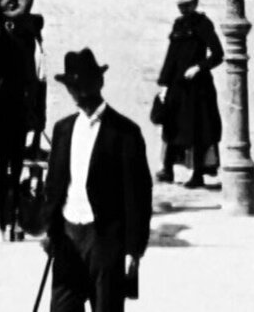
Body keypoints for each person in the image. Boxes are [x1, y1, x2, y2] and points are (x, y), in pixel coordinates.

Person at [41, 49, 152, 312]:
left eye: (84, 86)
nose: (79, 93)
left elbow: (138, 195)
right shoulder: (63, 129)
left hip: (104, 240)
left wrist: (133, 250)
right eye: (74, 87)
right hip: (68, 237)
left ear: (99, 84)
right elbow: (53, 187)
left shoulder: (125, 133)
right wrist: (50, 230)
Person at [153, 0, 223, 189]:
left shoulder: (203, 24)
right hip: (177, 85)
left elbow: (218, 54)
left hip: (198, 88)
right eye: (180, 5)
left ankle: (198, 174)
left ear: (195, 4)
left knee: (198, 130)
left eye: (186, 5)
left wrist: (199, 67)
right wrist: (164, 84)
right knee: (171, 126)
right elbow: (171, 56)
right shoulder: (178, 25)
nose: (182, 9)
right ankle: (167, 169)